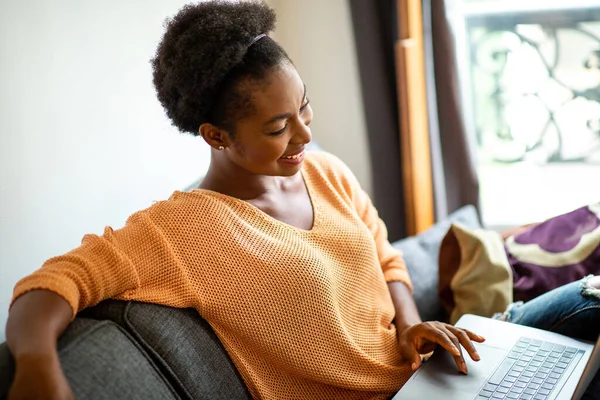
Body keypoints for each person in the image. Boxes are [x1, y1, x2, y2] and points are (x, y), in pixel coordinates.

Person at [4, 1, 600, 399]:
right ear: (217, 137)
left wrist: (414, 327)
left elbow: (386, 257)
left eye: (304, 107)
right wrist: (35, 364)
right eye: (277, 127)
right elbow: (52, 283)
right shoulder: (181, 232)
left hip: (438, 366)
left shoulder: (326, 171)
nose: (306, 135)